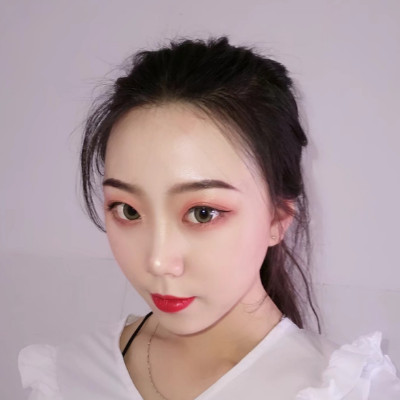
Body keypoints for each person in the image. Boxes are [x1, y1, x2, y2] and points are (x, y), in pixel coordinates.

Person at [18, 37, 400, 399]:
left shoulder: (341, 390)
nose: (158, 261)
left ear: (277, 219)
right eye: (128, 210)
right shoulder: (68, 376)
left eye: (203, 213)